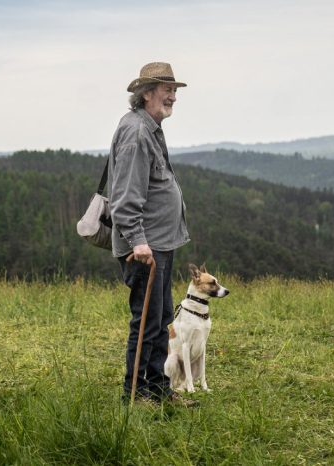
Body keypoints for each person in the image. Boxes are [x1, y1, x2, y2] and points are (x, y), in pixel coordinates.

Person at [108, 62, 194, 406]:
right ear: (146, 93)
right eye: (166, 89)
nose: (173, 96)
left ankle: (158, 389)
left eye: (175, 90)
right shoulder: (137, 131)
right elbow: (126, 196)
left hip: (160, 242)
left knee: (159, 320)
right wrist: (138, 241)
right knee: (145, 322)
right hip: (145, 246)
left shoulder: (150, 127)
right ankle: (136, 393)